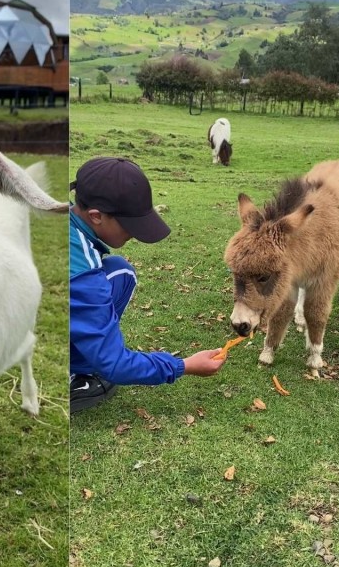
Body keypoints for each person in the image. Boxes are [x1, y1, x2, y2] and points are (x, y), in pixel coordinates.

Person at [69, 156, 225, 413]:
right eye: (130, 225)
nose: (134, 233)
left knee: (120, 272)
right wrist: (183, 365)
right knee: (114, 278)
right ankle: (74, 373)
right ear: (96, 216)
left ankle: (81, 361)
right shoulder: (83, 275)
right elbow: (116, 365)